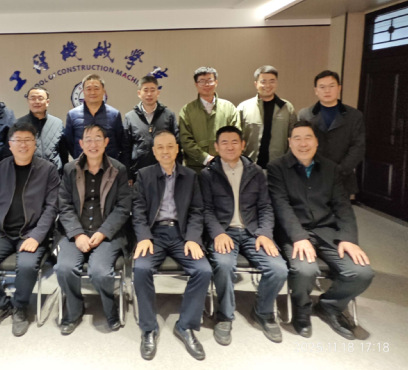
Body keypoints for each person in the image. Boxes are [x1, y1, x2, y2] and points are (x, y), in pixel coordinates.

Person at [267, 121, 374, 340]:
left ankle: (329, 305)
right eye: (297, 138)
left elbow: (343, 206)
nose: (302, 143)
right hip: (294, 233)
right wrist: (299, 237)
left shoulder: (331, 168)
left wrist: (348, 239)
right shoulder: (277, 168)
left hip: (327, 231)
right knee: (305, 270)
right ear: (289, 142)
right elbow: (281, 206)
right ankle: (301, 308)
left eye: (308, 138)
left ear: (316, 141)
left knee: (362, 272)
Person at [200, 126, 288, 345]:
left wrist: (265, 233)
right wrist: (218, 233)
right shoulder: (207, 174)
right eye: (224, 142)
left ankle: (263, 312)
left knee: (279, 269)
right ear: (216, 147)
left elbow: (265, 207)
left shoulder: (256, 172)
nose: (230, 146)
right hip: (224, 232)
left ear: (243, 145)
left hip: (253, 232)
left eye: (234, 142)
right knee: (223, 265)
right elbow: (206, 210)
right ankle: (224, 315)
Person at [0, 122, 60, 336]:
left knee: (27, 266)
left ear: (35, 144)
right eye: (17, 140)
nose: (23, 145)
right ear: (9, 144)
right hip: (2, 233)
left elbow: (52, 208)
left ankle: (20, 307)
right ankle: (1, 306)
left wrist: (37, 236)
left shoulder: (47, 170)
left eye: (28, 140)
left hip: (31, 233)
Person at [133, 130, 211, 360]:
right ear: (154, 151)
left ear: (177, 149)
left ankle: (185, 325)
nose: (165, 151)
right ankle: (149, 328)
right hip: (153, 233)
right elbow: (137, 210)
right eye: (160, 147)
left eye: (170, 146)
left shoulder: (190, 176)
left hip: (181, 233)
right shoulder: (144, 175)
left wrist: (193, 238)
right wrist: (143, 236)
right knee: (141, 268)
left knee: (203, 270)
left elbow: (197, 210)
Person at [55, 125, 131, 335]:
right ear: (81, 144)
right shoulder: (70, 169)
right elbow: (64, 205)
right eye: (88, 139)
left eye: (98, 138)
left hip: (107, 233)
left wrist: (103, 232)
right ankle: (74, 310)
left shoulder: (118, 169)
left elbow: (123, 207)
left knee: (100, 272)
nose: (93, 144)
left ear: (106, 142)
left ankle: (110, 308)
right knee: (64, 268)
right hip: (76, 232)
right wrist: (77, 234)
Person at [298, 70, 365, 196]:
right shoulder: (305, 114)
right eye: (322, 87)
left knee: (340, 208)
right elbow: (300, 145)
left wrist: (339, 171)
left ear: (339, 88)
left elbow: (358, 147)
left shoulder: (354, 116)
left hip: (342, 178)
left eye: (331, 86)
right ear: (316, 90)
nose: (327, 91)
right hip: (311, 176)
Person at [179, 67, 239, 173]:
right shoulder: (187, 110)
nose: (206, 85)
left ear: (216, 82)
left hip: (225, 166)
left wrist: (222, 159)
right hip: (196, 168)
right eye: (202, 81)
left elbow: (236, 135)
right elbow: (185, 140)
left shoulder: (229, 108)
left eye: (210, 80)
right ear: (196, 84)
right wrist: (205, 158)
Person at [237, 65, 296, 168]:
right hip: (249, 167)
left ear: (276, 83)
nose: (268, 85)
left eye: (272, 81)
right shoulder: (244, 108)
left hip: (279, 167)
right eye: (263, 81)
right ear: (256, 84)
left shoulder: (287, 108)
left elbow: (294, 138)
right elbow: (236, 139)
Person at [124, 75, 180, 183]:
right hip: (138, 173)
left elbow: (177, 143)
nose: (149, 94)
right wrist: (128, 175)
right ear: (139, 93)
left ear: (158, 92)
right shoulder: (130, 117)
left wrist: (177, 170)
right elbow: (126, 148)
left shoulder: (169, 115)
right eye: (145, 90)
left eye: (152, 90)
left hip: (165, 172)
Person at [64, 74, 126, 164]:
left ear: (104, 91)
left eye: (96, 89)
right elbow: (69, 143)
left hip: (109, 166)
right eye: (88, 89)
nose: (92, 92)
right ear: (83, 91)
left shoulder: (114, 114)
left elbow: (120, 142)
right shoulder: (72, 115)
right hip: (81, 166)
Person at [15, 87, 68, 173]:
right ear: (28, 101)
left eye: (40, 98)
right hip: (29, 175)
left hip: (54, 176)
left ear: (47, 102)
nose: (36, 101)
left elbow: (63, 153)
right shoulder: (18, 125)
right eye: (32, 98)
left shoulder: (57, 123)